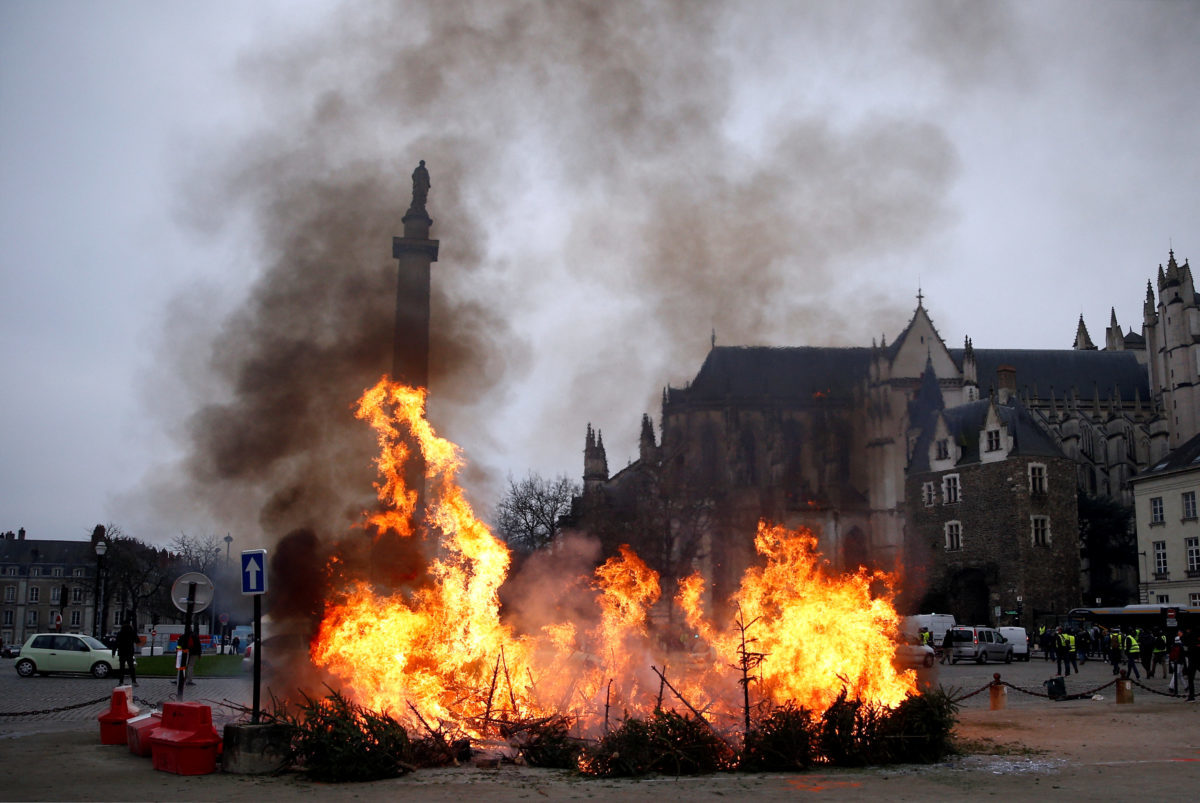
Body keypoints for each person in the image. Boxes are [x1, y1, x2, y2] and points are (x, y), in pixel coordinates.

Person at [113, 619, 138, 686]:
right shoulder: (132, 633)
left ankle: (121, 681)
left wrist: (113, 651)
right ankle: (134, 681)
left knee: (122, 667)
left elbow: (116, 643)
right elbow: (137, 641)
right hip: (129, 652)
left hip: (122, 652)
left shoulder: (120, 633)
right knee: (131, 667)